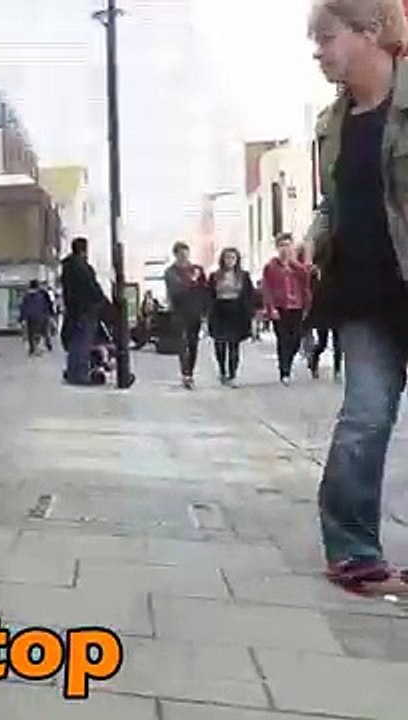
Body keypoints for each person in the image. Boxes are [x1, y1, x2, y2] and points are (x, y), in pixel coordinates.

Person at [305, 0, 408, 591]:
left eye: (326, 37)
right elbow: (334, 200)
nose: (318, 52)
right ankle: (352, 551)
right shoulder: (332, 123)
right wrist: (318, 240)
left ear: (370, 32)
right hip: (362, 296)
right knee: (364, 420)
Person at [262, 233, 312, 385]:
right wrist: (271, 308)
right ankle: (285, 371)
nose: (285, 248)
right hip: (280, 307)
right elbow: (267, 288)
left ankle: (288, 361)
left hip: (296, 307)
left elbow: (306, 288)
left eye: (288, 245)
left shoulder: (299, 268)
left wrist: (307, 306)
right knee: (283, 340)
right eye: (282, 245)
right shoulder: (271, 267)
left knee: (296, 339)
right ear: (277, 248)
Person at [59, 236, 109, 385]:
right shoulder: (81, 267)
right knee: (82, 343)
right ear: (84, 250)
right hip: (85, 310)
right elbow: (91, 287)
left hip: (74, 310)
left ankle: (73, 371)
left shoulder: (67, 267)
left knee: (76, 342)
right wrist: (103, 302)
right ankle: (79, 374)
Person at [207, 247, 254, 387]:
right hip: (219, 311)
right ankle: (222, 370)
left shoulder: (243, 276)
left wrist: (251, 312)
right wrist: (207, 312)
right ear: (222, 259)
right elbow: (209, 295)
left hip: (236, 311)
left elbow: (249, 294)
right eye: (227, 258)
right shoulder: (215, 276)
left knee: (234, 345)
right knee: (220, 344)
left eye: (233, 258)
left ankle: (233, 374)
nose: (230, 261)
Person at [164, 241, 209, 389]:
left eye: (186, 254)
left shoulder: (197, 269)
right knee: (182, 343)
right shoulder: (171, 272)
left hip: (195, 311)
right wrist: (191, 281)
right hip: (179, 311)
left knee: (193, 343)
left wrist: (205, 311)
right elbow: (175, 290)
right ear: (176, 255)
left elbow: (204, 290)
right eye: (181, 254)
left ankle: (191, 371)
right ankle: (186, 374)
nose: (184, 257)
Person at [20, 279, 55, 356]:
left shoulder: (26, 296)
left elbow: (23, 307)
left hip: (31, 317)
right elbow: (49, 305)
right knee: (44, 332)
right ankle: (46, 345)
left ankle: (33, 349)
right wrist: (51, 315)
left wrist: (22, 318)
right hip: (43, 316)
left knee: (31, 333)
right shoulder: (43, 294)